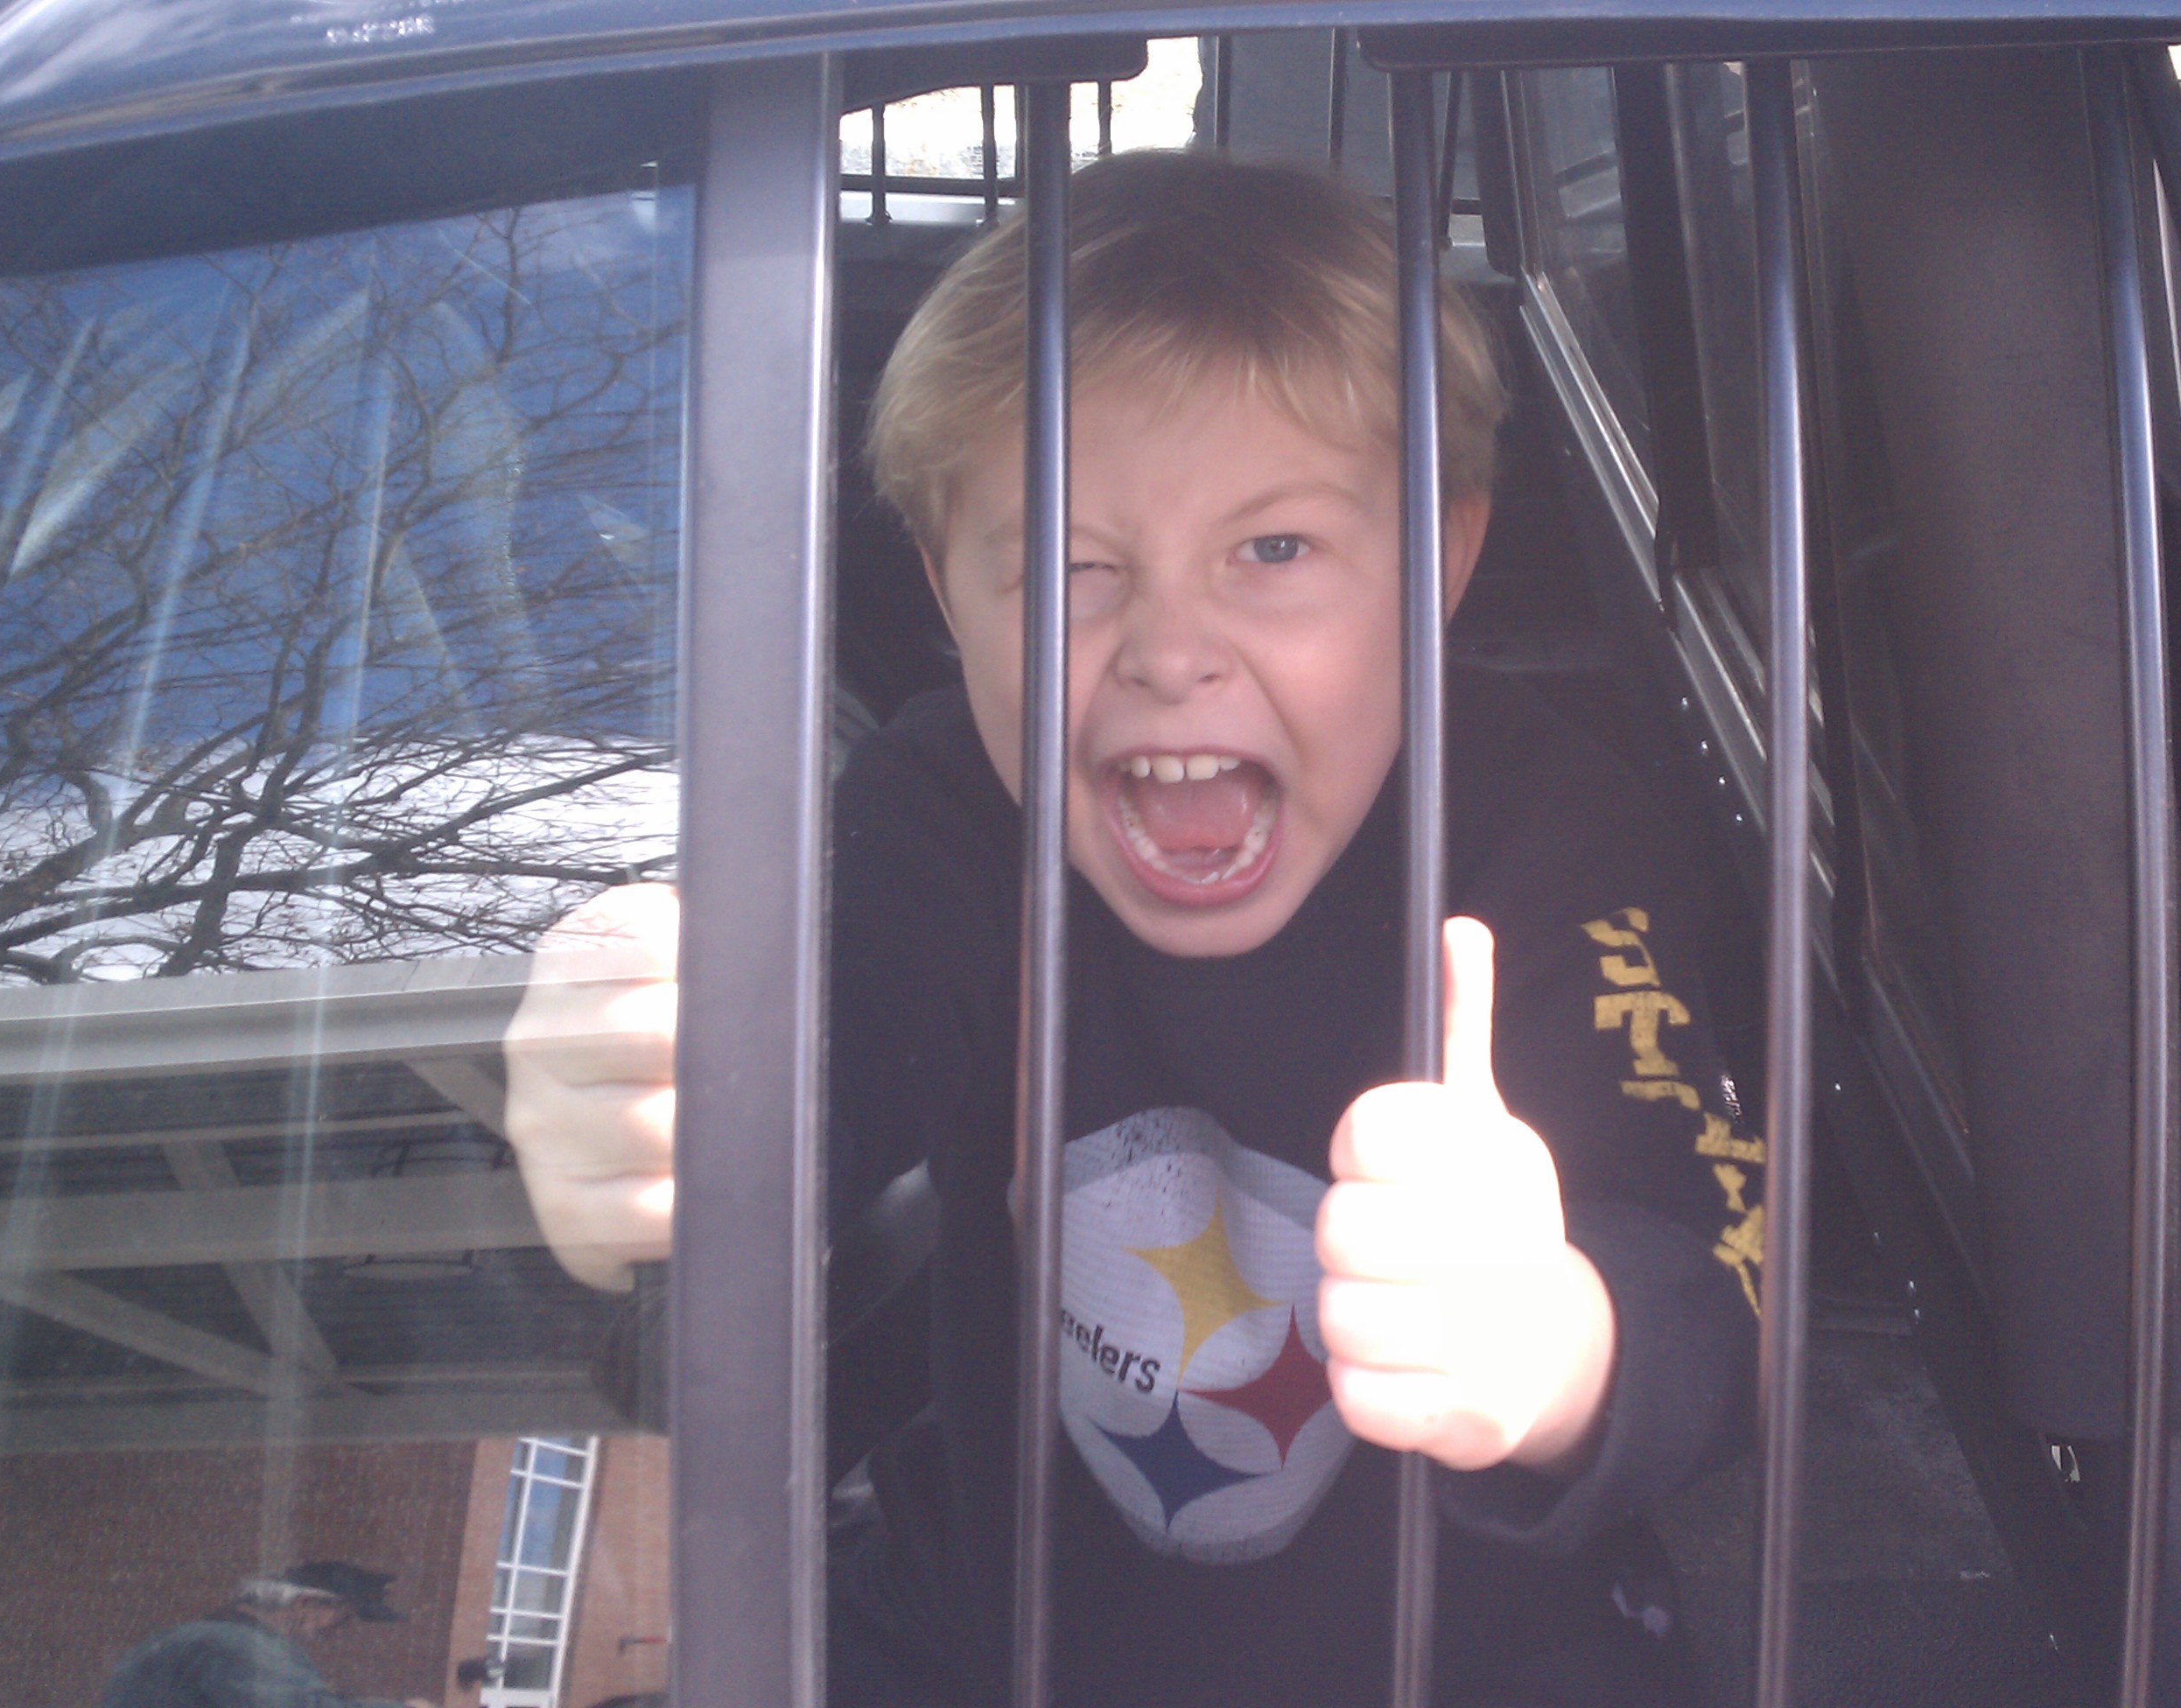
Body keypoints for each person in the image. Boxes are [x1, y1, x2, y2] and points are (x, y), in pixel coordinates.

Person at [503, 151, 1761, 1704]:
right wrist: (676, 1108)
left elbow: (1726, 1281)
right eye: (1068, 567)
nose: (1171, 651)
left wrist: (1561, 1343)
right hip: (998, 1631)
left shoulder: (1554, 826)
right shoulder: (946, 803)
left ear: (1438, 562)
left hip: (1474, 1652)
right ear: (948, 599)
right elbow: (830, 1030)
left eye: (1274, 550)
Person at [98, 1562, 437, 1708]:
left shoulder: (203, 1639)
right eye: (342, 1618)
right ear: (306, 1603)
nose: (338, 1632)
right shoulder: (241, 1648)